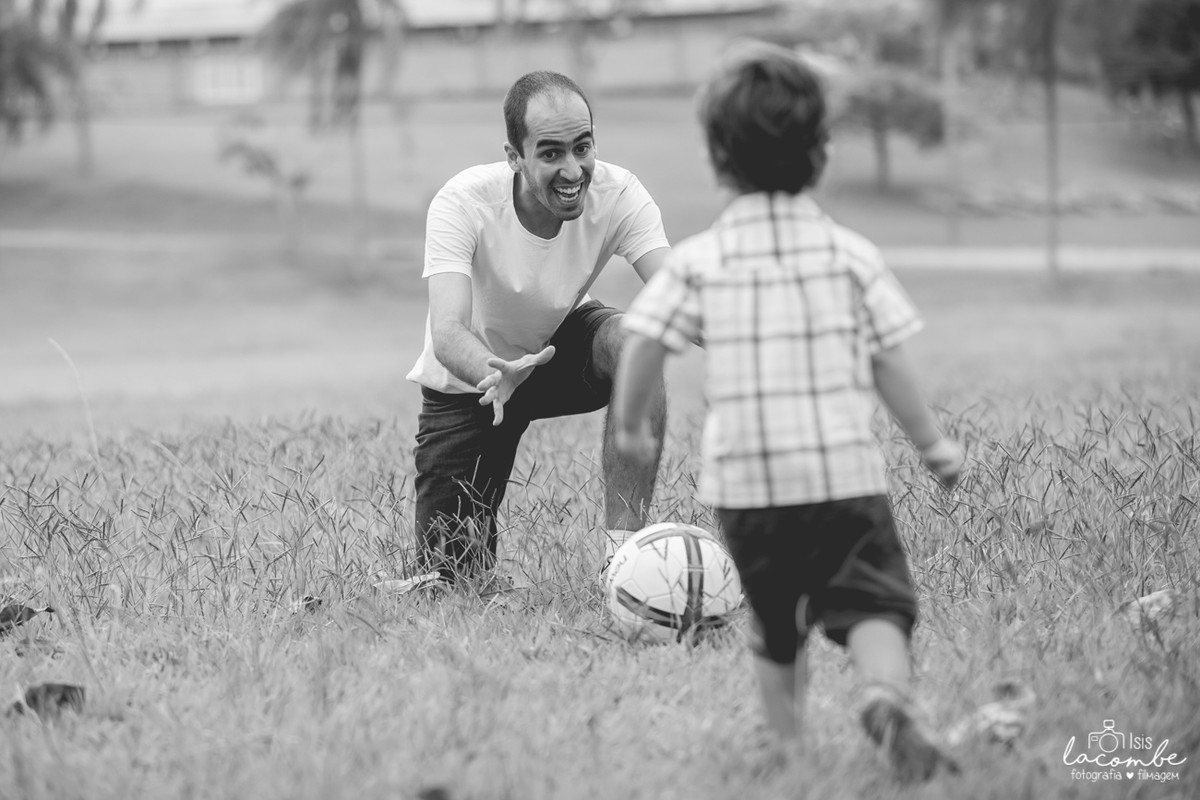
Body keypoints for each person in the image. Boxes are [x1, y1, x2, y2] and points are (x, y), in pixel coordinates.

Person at [611, 42, 965, 783]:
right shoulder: (850, 255)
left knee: (777, 626)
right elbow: (887, 358)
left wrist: (633, 424)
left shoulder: (701, 261)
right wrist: (931, 442)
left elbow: (643, 340)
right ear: (822, 152)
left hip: (748, 493)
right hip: (843, 479)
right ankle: (881, 694)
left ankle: (791, 749)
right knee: (876, 603)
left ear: (718, 158)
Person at [407, 70, 671, 586]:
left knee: (637, 342)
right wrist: (494, 370)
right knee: (450, 580)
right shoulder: (463, 203)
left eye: (582, 147)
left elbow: (680, 297)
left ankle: (621, 563)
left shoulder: (619, 194)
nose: (572, 169)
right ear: (515, 156)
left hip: (559, 346)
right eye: (550, 153)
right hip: (477, 382)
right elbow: (448, 329)